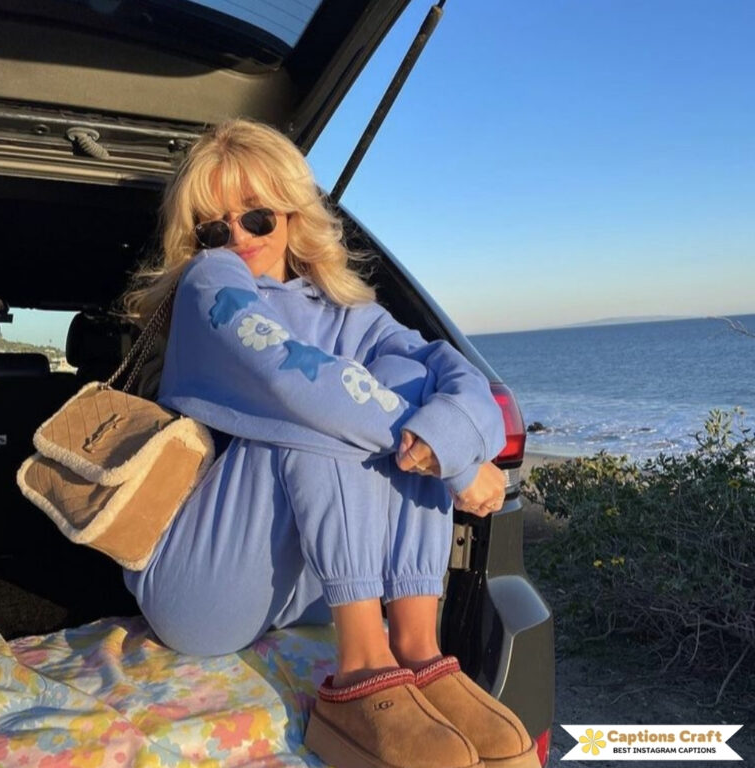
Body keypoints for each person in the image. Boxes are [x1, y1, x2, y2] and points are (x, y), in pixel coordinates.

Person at [121, 119, 541, 768]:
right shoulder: (211, 283)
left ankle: (417, 652)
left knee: (406, 378)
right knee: (317, 412)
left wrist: (450, 437)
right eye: (213, 228)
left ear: (291, 217)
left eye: (256, 219)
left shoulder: (349, 315)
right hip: (202, 587)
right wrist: (453, 464)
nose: (235, 239)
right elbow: (295, 382)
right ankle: (361, 672)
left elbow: (456, 375)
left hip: (308, 584)